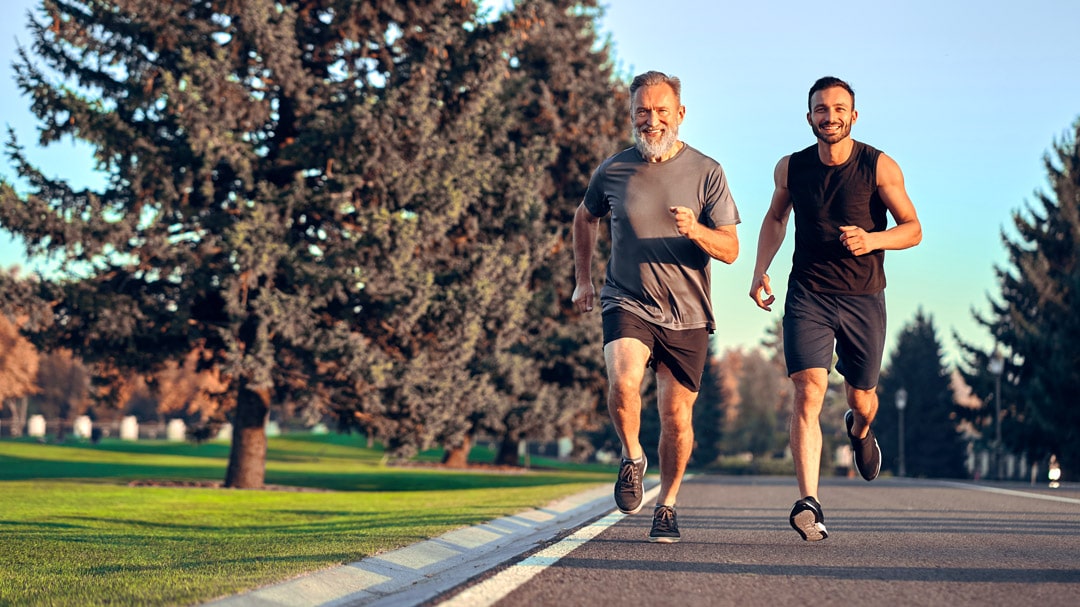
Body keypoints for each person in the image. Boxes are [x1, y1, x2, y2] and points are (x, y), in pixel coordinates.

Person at [749, 76, 922, 541]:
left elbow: (912, 229)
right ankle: (810, 501)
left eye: (838, 108)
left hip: (864, 296)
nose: (830, 116)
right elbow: (775, 217)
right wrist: (760, 268)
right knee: (807, 391)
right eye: (821, 110)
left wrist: (872, 239)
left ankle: (861, 431)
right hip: (808, 292)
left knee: (861, 398)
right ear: (809, 118)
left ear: (854, 115)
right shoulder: (791, 168)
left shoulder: (879, 166)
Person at [572, 70, 740, 543]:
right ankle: (631, 456)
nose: (651, 120)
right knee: (623, 383)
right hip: (627, 298)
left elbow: (730, 249)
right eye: (642, 112)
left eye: (661, 111)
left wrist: (697, 231)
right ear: (631, 116)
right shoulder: (613, 170)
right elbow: (584, 218)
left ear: (680, 115)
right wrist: (584, 280)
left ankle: (666, 504)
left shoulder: (707, 171)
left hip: (688, 313)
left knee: (676, 417)